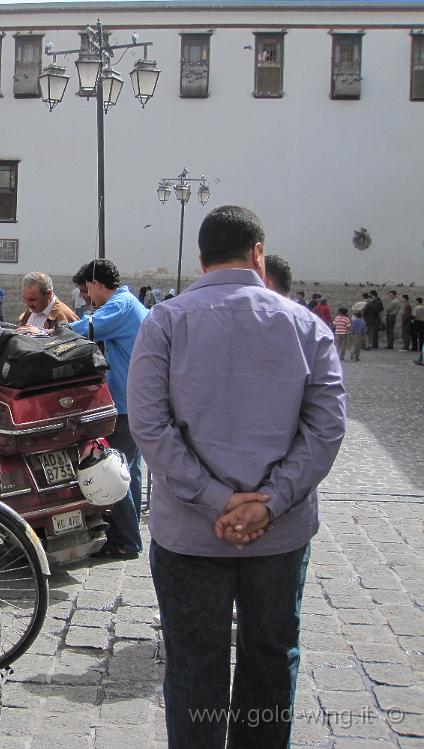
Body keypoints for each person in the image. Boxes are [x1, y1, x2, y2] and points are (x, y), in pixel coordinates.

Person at [127, 205, 346, 749]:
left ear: (201, 261)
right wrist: (269, 502)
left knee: (194, 665)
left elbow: (148, 427)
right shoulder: (306, 326)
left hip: (190, 535)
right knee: (270, 662)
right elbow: (326, 429)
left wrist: (216, 499)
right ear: (258, 254)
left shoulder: (167, 321)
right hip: (280, 534)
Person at [70, 258, 149, 560]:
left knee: (112, 472)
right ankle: (129, 532)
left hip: (126, 403)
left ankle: (126, 540)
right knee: (130, 471)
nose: (88, 297)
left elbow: (86, 329)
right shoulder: (130, 304)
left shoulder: (121, 306)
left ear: (96, 284)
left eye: (87, 289)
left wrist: (54, 330)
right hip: (136, 400)